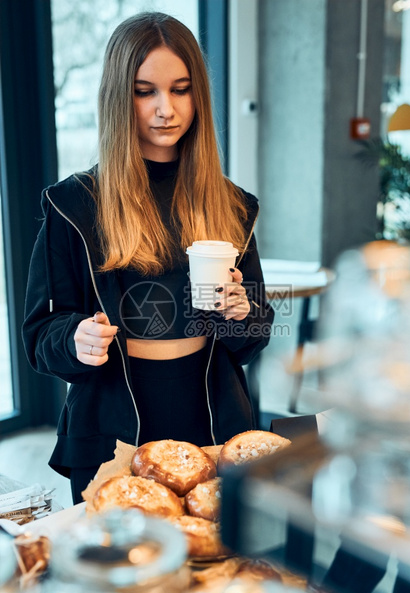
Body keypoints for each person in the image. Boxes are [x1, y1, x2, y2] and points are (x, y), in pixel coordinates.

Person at [22, 12, 274, 504]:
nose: (166, 109)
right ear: (120, 97)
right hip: (110, 430)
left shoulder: (233, 205)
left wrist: (242, 314)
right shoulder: (73, 206)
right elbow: (38, 337)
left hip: (215, 422)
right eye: (145, 92)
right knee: (123, 573)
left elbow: (251, 340)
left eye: (181, 89)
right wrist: (75, 338)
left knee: (215, 566)